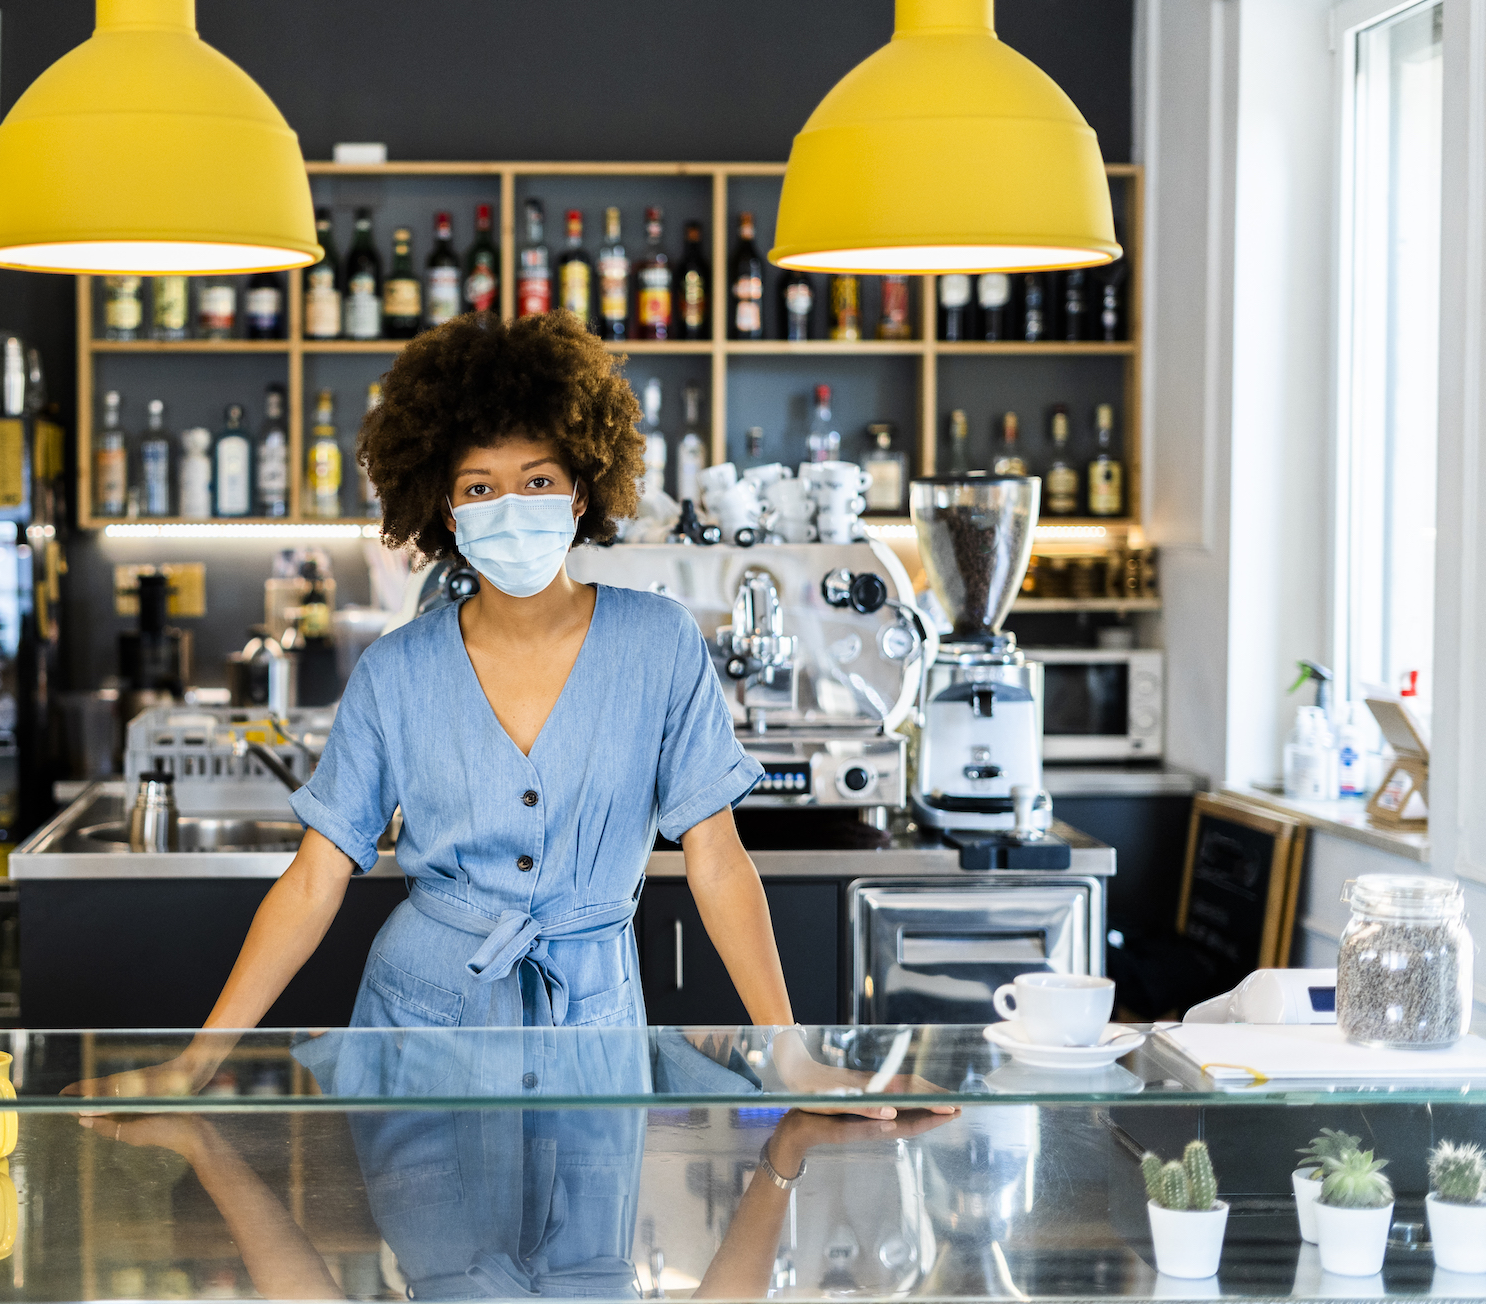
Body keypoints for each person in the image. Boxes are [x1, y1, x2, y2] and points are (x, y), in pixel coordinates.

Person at [71, 311, 946, 1113]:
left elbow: (719, 862)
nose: (508, 505)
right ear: (446, 509)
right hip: (417, 1033)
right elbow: (313, 878)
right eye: (478, 486)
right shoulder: (396, 671)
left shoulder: (660, 644)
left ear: (579, 491)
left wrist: (788, 1057)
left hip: (595, 1033)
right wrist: (195, 1062)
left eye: (535, 479)